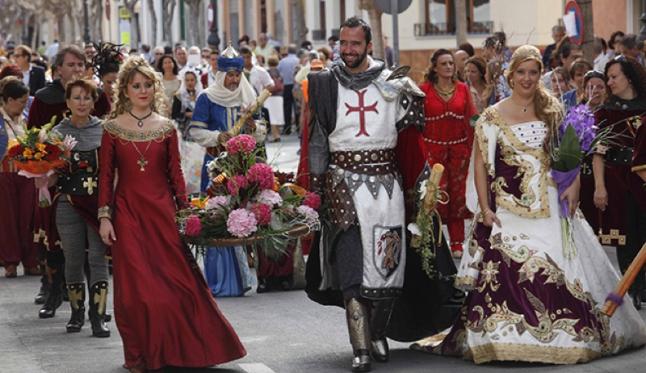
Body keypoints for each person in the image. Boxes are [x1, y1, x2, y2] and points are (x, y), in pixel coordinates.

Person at [413, 45, 646, 363]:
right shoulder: (493, 115)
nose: (527, 78)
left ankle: (563, 334)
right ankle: (502, 337)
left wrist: (574, 184)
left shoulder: (553, 109)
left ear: (540, 75)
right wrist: (484, 207)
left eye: (533, 72)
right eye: (521, 72)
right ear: (511, 76)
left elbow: (569, 153)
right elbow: (481, 164)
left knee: (562, 267)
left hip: (552, 204)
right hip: (508, 208)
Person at [304, 17, 456, 372]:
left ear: (369, 45)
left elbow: (412, 147)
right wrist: (315, 191)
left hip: (385, 190)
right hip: (342, 188)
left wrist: (421, 192)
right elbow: (317, 142)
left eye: (355, 44)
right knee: (353, 273)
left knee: (387, 274)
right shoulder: (325, 84)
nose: (348, 50)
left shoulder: (395, 85)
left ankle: (376, 332)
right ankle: (361, 349)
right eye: (343, 43)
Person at [97, 56, 246, 372]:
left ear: (154, 87)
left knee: (177, 283)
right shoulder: (110, 129)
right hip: (127, 214)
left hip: (163, 214)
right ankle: (140, 353)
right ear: (124, 89)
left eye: (148, 84)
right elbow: (106, 176)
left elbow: (176, 175)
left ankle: (185, 349)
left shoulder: (166, 128)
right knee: (136, 291)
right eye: (136, 85)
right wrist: (105, 217)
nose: (143, 90)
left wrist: (186, 213)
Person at [27, 45, 111, 317]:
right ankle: (52, 292)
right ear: (58, 68)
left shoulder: (96, 100)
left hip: (93, 190)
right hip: (56, 186)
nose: (76, 69)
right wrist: (41, 166)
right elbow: (33, 140)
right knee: (56, 242)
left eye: (80, 64)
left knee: (95, 253)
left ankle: (96, 311)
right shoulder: (43, 98)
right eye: (71, 64)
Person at [187, 44, 261, 297]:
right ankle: (223, 280)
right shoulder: (207, 98)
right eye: (229, 75)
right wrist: (219, 136)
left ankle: (252, 275)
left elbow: (261, 131)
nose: (234, 79)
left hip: (244, 168)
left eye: (237, 75)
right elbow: (195, 131)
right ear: (220, 75)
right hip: (217, 169)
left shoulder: (249, 96)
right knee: (217, 216)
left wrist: (252, 127)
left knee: (248, 216)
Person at [51, 79, 109, 336]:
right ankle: (77, 314)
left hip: (99, 204)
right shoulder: (56, 133)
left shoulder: (106, 130)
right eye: (77, 98)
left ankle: (99, 317)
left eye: (87, 98)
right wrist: (44, 173)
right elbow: (49, 175)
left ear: (93, 102)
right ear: (68, 102)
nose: (82, 103)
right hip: (68, 203)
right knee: (73, 258)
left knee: (98, 257)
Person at [592, 56, 646, 308]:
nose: (609, 82)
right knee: (626, 238)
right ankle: (632, 290)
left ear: (630, 77)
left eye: (614, 77)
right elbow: (598, 154)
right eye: (608, 77)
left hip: (643, 179)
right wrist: (600, 186)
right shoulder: (605, 112)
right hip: (617, 180)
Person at [419, 49, 477, 258]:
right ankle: (430, 241)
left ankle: (457, 242)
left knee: (458, 197)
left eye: (451, 63)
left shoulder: (462, 89)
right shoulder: (423, 90)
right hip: (432, 153)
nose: (449, 67)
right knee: (433, 197)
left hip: (459, 152)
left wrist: (476, 149)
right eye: (443, 63)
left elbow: (472, 119)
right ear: (435, 67)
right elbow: (418, 125)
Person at [0, 77, 39, 278]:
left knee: (28, 218)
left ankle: (31, 260)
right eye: (22, 101)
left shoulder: (25, 118)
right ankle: (10, 262)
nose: (25, 104)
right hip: (4, 174)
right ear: (9, 100)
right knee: (7, 219)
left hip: (26, 173)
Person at [579, 70, 607, 237]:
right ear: (584, 90)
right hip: (581, 178)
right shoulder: (576, 115)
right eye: (590, 87)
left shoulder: (610, 115)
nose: (595, 91)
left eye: (600, 87)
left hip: (604, 178)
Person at [171, 69, 204, 195]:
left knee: (199, 163)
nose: (190, 83)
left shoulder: (202, 96)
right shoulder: (179, 96)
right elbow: (174, 116)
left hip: (200, 136)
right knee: (187, 164)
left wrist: (197, 114)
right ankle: (187, 191)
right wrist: (186, 114)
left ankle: (199, 190)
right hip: (185, 135)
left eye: (192, 80)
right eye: (187, 80)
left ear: (196, 81)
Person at [277, 44, 299, 135]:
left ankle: (287, 128)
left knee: (287, 108)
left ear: (288, 51)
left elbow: (279, 74)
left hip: (287, 86)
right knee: (297, 106)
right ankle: (298, 127)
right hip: (296, 86)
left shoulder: (282, 61)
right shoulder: (298, 60)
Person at [265, 56, 284, 142]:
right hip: (279, 96)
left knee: (271, 116)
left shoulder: (267, 72)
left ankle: (275, 135)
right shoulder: (279, 72)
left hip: (269, 96)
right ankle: (278, 134)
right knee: (277, 116)